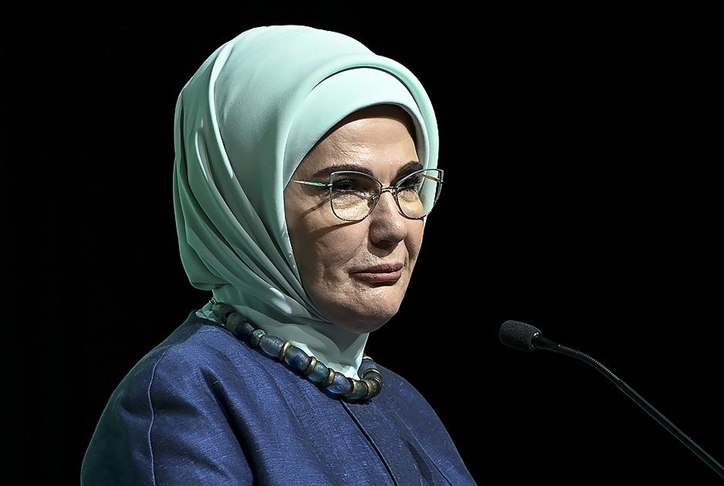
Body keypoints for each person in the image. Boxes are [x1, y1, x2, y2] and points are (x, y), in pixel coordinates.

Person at [81, 24, 476, 485]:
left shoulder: (405, 406)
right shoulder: (184, 398)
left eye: (408, 184)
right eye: (346, 187)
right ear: (246, 202)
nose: (394, 228)